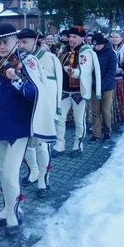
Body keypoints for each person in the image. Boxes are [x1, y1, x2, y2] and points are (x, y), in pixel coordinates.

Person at [0, 23, 56, 236]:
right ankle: (7, 208)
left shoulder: (28, 62)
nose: (1, 46)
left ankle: (15, 213)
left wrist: (16, 81)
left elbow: (35, 95)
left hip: (18, 128)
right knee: (2, 172)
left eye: (5, 42)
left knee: (10, 173)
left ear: (16, 40)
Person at [17, 28, 62, 198]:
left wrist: (56, 109)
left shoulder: (50, 58)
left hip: (44, 109)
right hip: (25, 108)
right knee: (27, 144)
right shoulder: (17, 60)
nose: (21, 45)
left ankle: (44, 179)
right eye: (19, 42)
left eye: (25, 42)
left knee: (43, 145)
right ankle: (33, 171)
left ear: (35, 42)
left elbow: (57, 85)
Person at [53, 25, 101, 158]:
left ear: (82, 38)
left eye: (75, 37)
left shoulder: (86, 51)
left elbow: (85, 71)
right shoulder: (64, 49)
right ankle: (59, 145)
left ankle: (77, 145)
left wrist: (72, 72)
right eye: (70, 36)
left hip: (78, 92)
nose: (71, 39)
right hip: (64, 90)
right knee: (60, 119)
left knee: (79, 121)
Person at [89, 33, 117, 142]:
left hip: (107, 87)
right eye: (94, 46)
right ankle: (96, 133)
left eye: (98, 46)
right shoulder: (92, 53)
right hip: (94, 86)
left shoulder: (111, 54)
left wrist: (101, 85)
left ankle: (107, 131)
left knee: (105, 111)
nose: (96, 48)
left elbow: (111, 72)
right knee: (95, 111)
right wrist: (93, 84)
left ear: (103, 44)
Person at [111, 31, 124, 123]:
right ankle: (113, 116)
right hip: (111, 76)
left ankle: (123, 115)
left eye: (116, 37)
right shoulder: (108, 47)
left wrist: (122, 69)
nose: (114, 39)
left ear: (121, 38)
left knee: (122, 96)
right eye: (113, 37)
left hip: (122, 77)